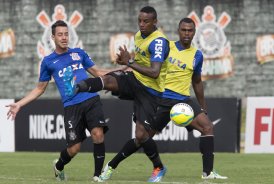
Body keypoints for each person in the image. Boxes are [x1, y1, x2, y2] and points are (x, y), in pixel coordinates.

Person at [73, 6, 170, 182]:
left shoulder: (159, 42)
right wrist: (124, 65)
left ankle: (158, 167)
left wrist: (130, 62)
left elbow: (155, 72)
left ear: (155, 22)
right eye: (139, 20)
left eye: (146, 21)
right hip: (135, 80)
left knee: (141, 136)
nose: (141, 24)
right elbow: (138, 62)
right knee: (110, 80)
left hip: (151, 92)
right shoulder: (139, 36)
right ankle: (80, 86)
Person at [6, 20, 110, 182]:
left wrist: (123, 69)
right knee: (74, 148)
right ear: (53, 37)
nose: (64, 37)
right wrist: (19, 104)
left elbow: (98, 72)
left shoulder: (79, 53)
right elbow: (40, 89)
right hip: (71, 106)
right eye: (60, 34)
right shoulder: (48, 62)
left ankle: (98, 176)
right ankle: (59, 166)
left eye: (66, 34)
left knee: (98, 134)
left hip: (91, 99)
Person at [154, 17, 228, 179]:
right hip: (162, 99)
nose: (187, 33)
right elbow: (152, 66)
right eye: (184, 30)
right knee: (142, 137)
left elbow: (197, 81)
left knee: (207, 127)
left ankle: (207, 173)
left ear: (194, 33)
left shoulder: (197, 55)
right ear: (178, 31)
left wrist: (203, 107)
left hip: (183, 100)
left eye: (190, 30)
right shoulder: (167, 47)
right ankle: (112, 166)